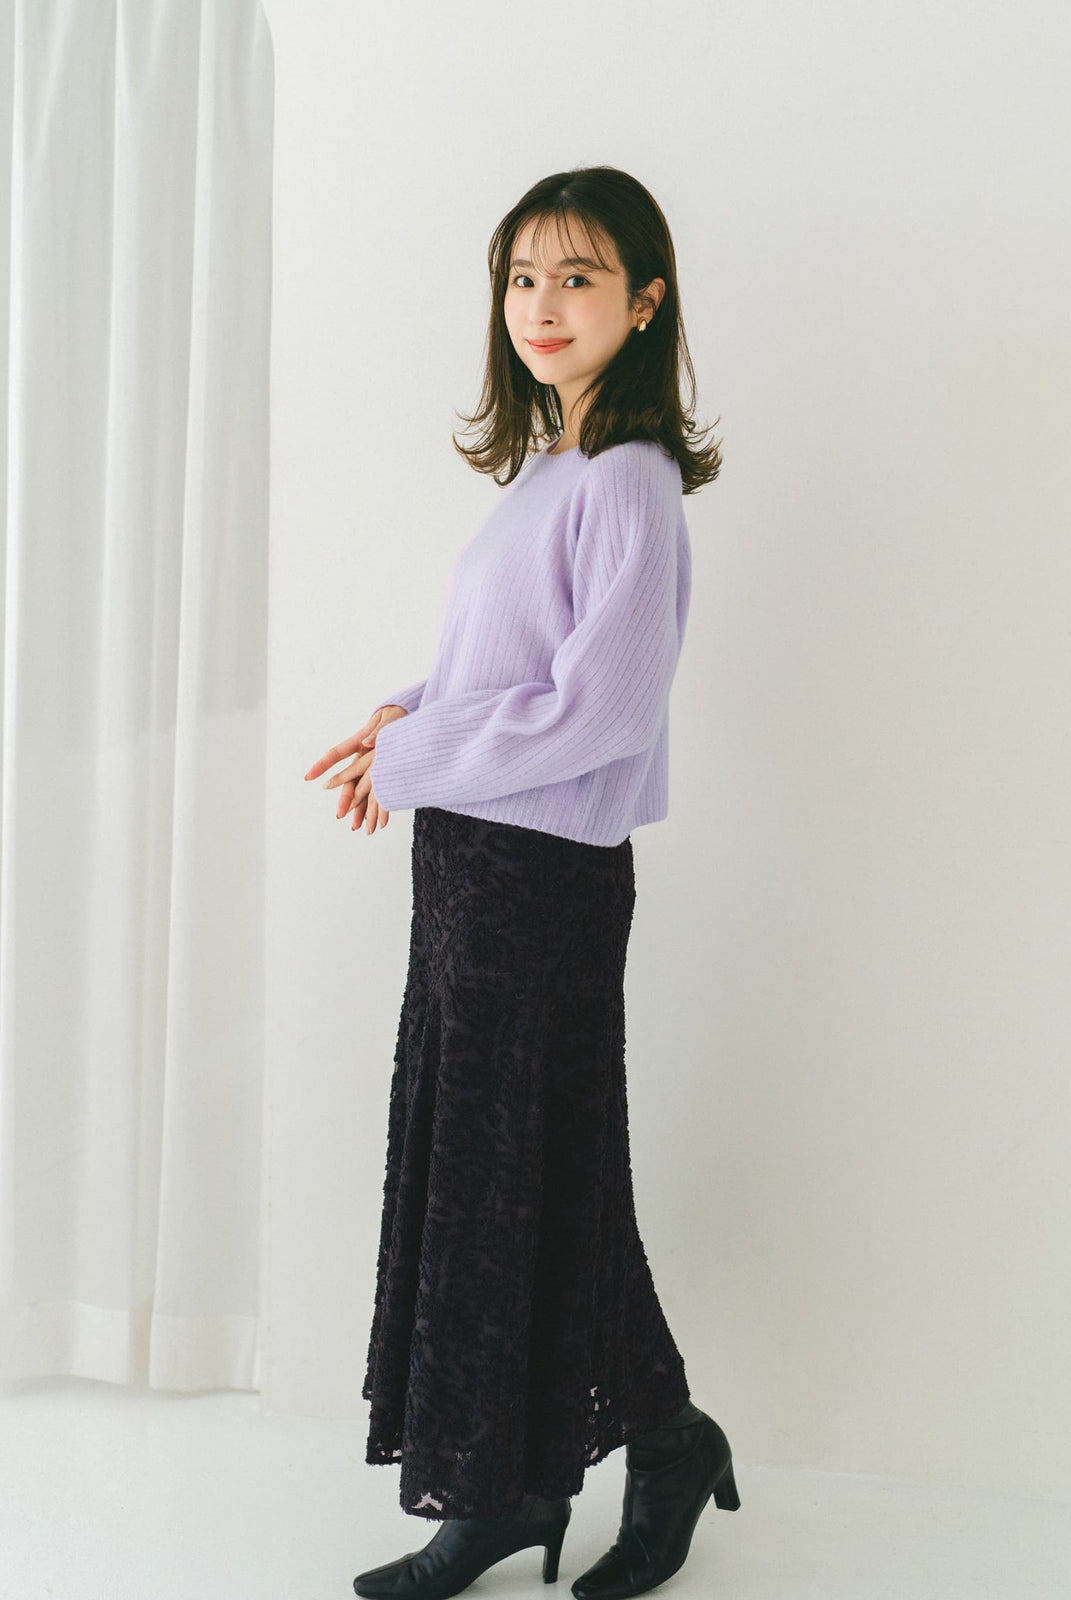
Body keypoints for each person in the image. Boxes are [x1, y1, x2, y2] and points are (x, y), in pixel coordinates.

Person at [304, 165, 736, 1600]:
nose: (543, 306)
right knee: (506, 1183)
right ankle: (523, 1488)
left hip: (541, 883)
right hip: (474, 867)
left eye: (579, 277)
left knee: (524, 1185)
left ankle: (632, 1451)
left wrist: (419, 752)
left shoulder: (630, 480)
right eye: (523, 278)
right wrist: (404, 712)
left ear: (646, 301)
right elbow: (504, 669)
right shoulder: (551, 470)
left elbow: (601, 712)